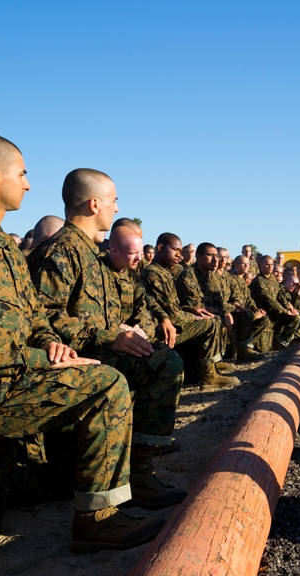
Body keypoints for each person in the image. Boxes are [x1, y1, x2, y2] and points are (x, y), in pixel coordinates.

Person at [0, 131, 163, 560]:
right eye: (23, 173)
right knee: (107, 385)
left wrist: (55, 347)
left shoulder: (4, 249)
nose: (29, 184)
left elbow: (35, 317)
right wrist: (39, 356)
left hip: (10, 384)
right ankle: (97, 521)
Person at [27, 168, 186, 507]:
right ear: (94, 203)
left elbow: (111, 310)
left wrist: (126, 331)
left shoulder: (91, 253)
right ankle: (139, 475)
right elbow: (43, 317)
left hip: (98, 345)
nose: (116, 208)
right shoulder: (63, 251)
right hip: (73, 354)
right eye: (113, 200)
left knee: (158, 356)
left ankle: (137, 468)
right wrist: (109, 337)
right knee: (162, 363)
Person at [141, 232, 238, 387]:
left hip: (172, 324)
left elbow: (172, 306)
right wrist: (194, 317)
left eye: (181, 251)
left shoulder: (164, 271)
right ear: (160, 248)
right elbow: (171, 315)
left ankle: (211, 364)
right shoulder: (153, 273)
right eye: (176, 250)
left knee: (213, 318)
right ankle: (209, 377)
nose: (180, 255)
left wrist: (191, 309)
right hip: (161, 331)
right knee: (211, 322)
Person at [177, 242, 263, 362]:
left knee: (244, 314)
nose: (215, 260)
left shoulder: (212, 276)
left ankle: (242, 351)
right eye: (210, 255)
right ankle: (213, 364)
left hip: (215, 310)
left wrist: (228, 311)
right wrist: (223, 314)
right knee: (216, 319)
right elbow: (196, 305)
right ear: (199, 256)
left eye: (216, 256)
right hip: (194, 316)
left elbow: (218, 300)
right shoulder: (188, 276)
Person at [249, 253, 300, 350]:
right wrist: (285, 311)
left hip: (276, 311)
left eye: (272, 264)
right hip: (265, 312)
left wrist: (289, 306)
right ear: (260, 265)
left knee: (296, 318)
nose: (270, 267)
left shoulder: (272, 278)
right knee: (263, 349)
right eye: (267, 265)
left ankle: (281, 343)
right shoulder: (259, 281)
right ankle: (250, 346)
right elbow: (268, 299)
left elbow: (280, 294)